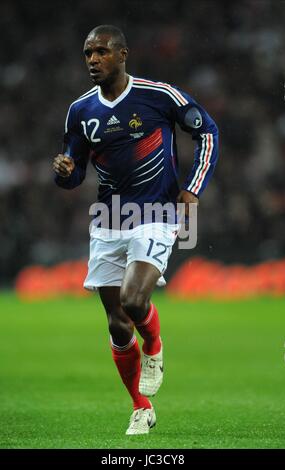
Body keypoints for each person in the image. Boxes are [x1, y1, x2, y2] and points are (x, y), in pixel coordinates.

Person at [53, 25, 219, 435]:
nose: (92, 59)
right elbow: (75, 174)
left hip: (156, 212)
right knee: (116, 323)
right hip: (108, 220)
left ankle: (155, 347)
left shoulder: (159, 95)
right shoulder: (80, 111)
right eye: (88, 53)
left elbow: (207, 132)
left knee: (133, 298)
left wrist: (193, 189)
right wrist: (66, 173)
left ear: (122, 54)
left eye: (101, 52)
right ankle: (141, 406)